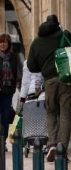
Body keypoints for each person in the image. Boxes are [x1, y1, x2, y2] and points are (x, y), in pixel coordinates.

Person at [27, 14, 71, 162]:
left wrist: (44, 64)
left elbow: (31, 66)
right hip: (66, 79)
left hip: (49, 81)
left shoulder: (37, 42)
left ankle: (52, 143)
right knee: (65, 113)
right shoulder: (64, 36)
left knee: (51, 112)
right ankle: (62, 148)